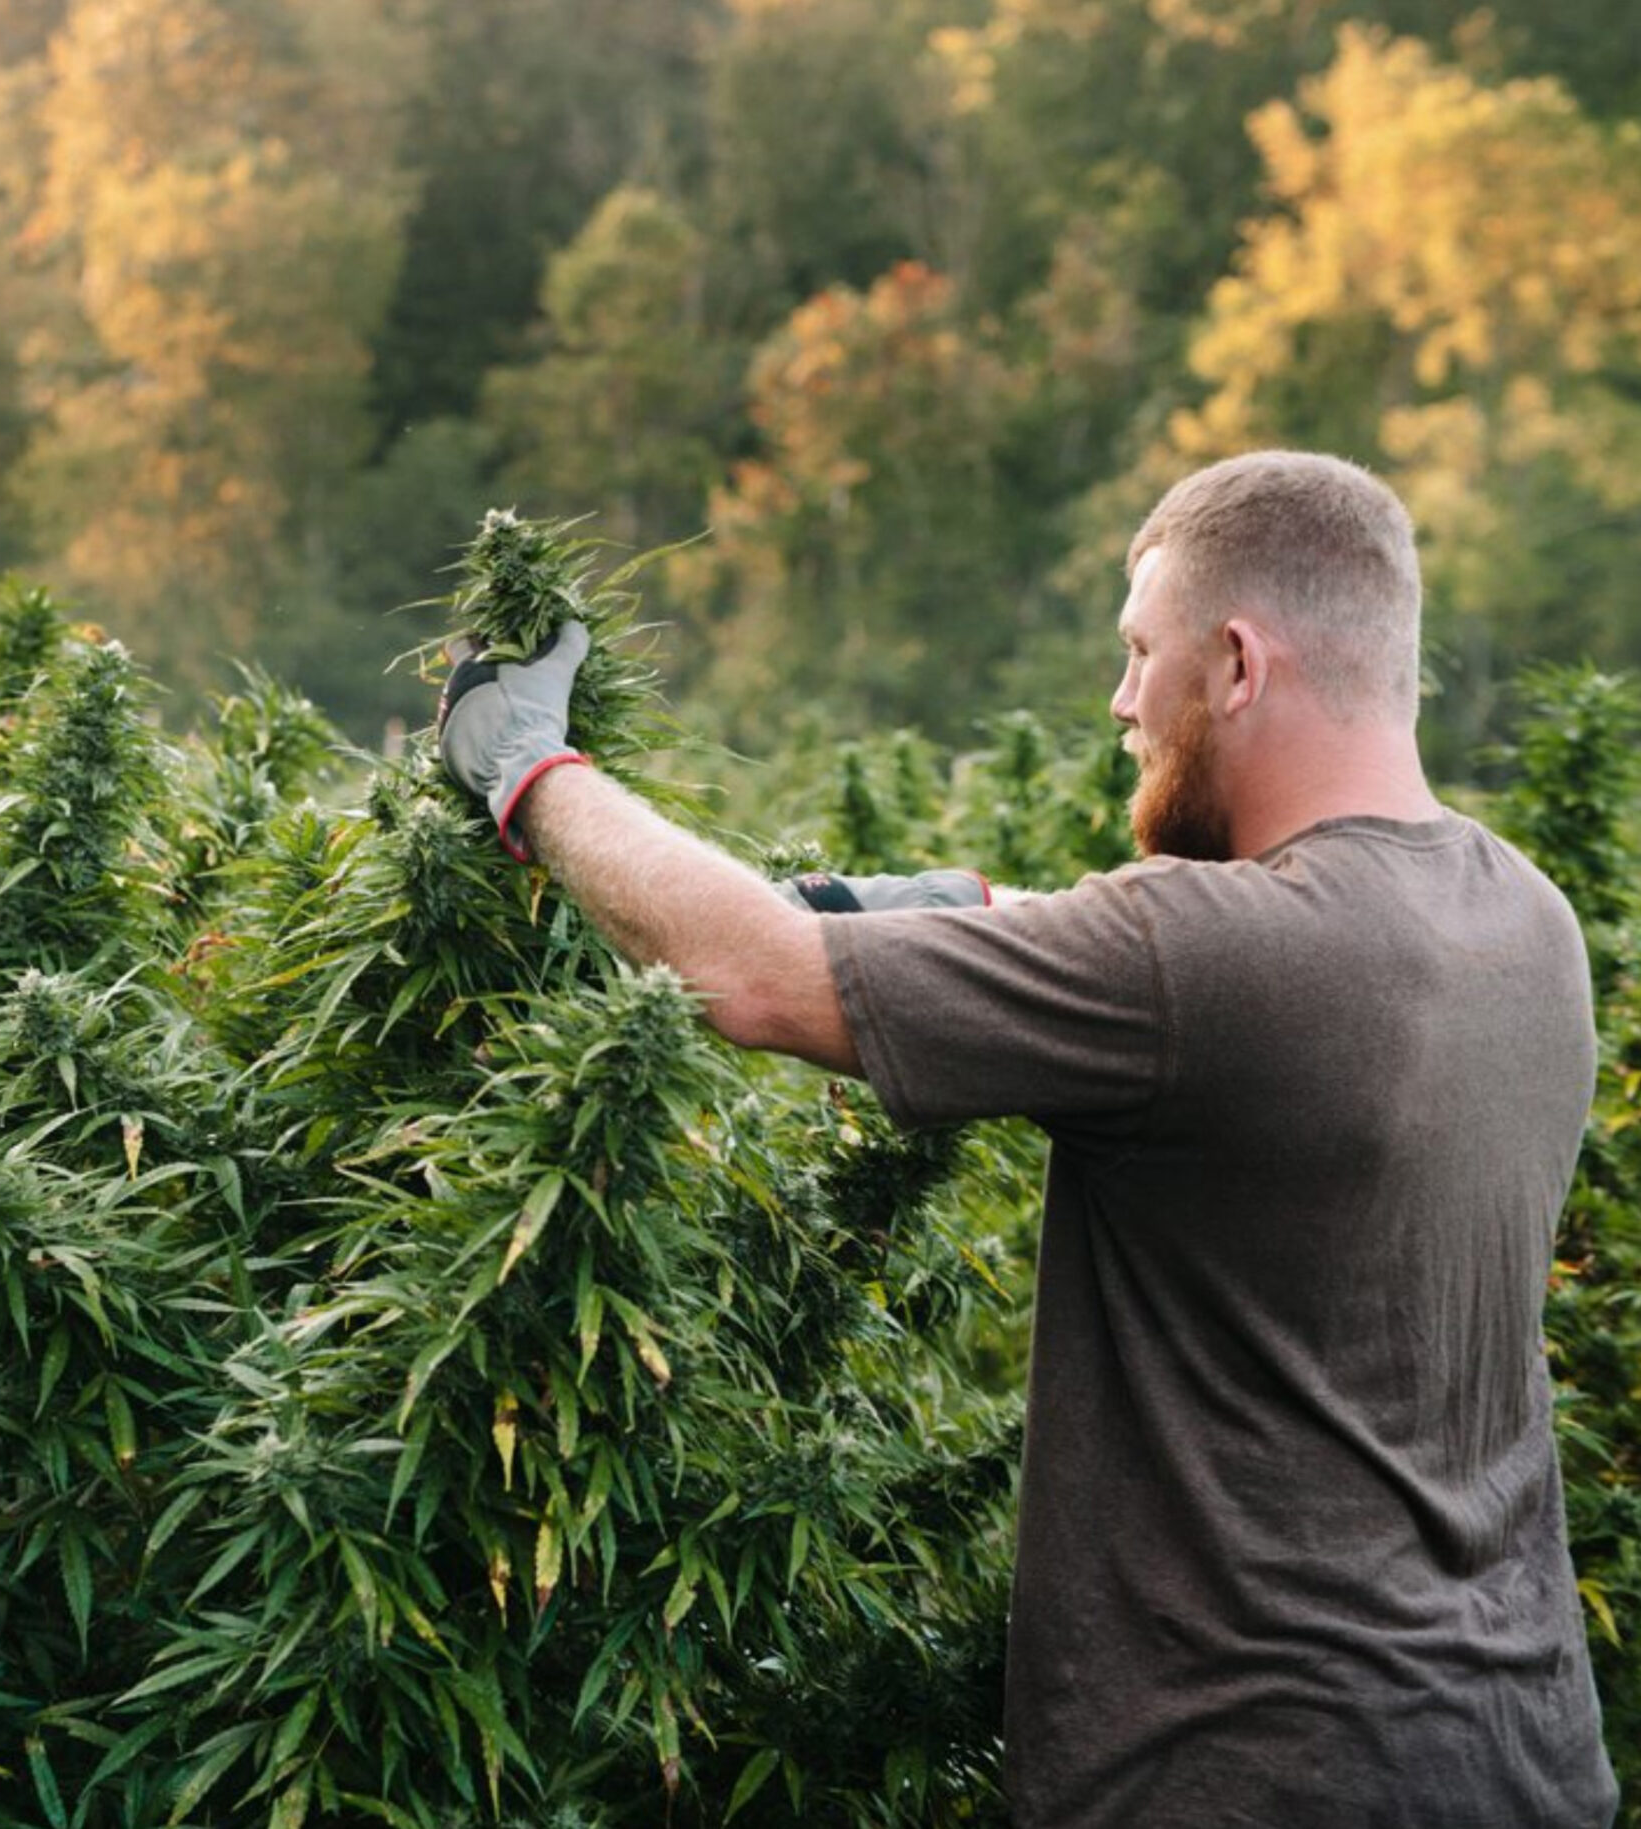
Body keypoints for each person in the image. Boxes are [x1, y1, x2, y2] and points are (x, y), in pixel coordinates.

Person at [437, 451, 1616, 1826]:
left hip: (1251, 1777)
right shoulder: (1523, 923)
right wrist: (960, 907)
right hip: (1518, 1755)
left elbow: (755, 979)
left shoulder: (1206, 963)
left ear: (1236, 664)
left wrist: (527, 767)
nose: (1120, 702)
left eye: (1137, 654)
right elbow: (1187, 967)